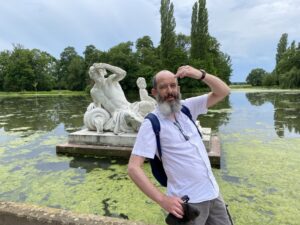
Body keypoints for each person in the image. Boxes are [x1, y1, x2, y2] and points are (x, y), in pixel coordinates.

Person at [127, 65, 232, 225]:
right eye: (163, 87)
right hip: (188, 204)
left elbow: (223, 91)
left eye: (173, 85)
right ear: (154, 92)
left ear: (178, 88)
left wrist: (199, 74)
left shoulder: (187, 108)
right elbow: (134, 168)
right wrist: (162, 199)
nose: (170, 91)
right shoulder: (152, 123)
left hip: (213, 194)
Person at [87, 63, 144, 134]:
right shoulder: (94, 91)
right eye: (94, 73)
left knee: (146, 104)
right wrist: (98, 120)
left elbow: (123, 73)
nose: (98, 75)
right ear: (91, 75)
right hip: (117, 115)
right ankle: (146, 126)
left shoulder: (111, 80)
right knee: (129, 115)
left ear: (104, 72)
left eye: (99, 72)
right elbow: (98, 110)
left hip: (130, 107)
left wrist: (105, 66)